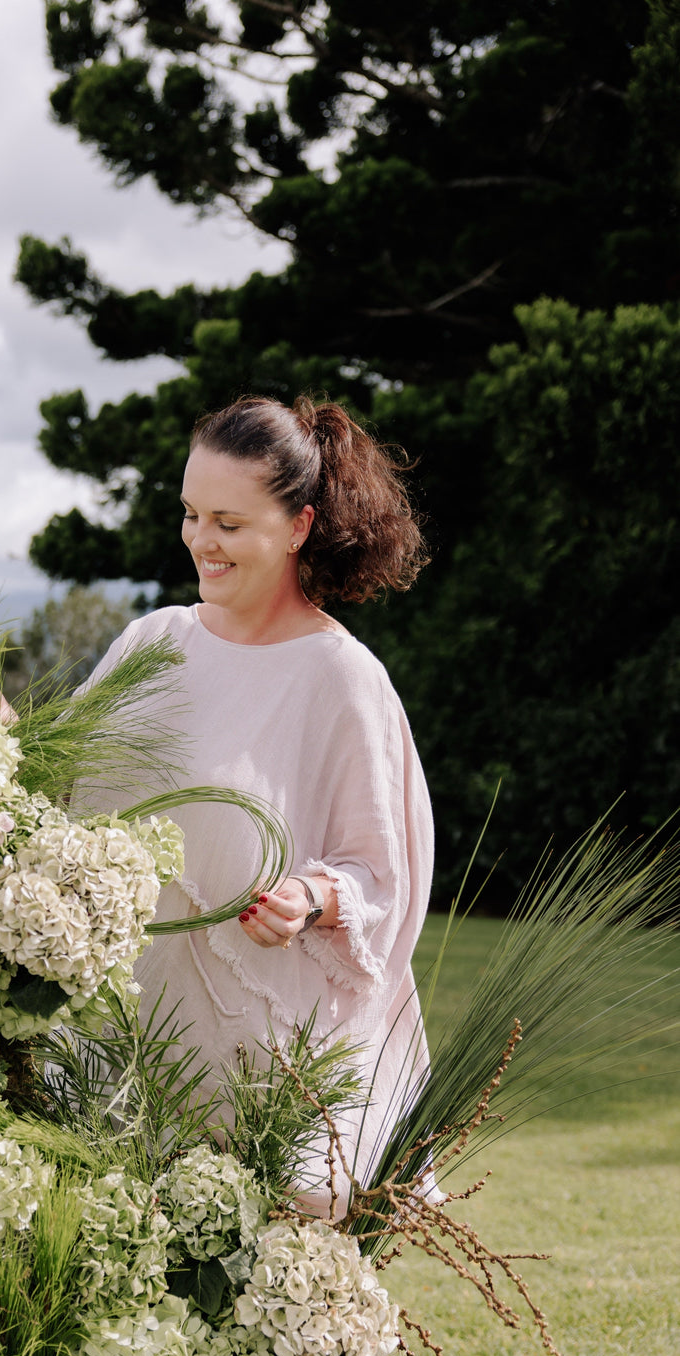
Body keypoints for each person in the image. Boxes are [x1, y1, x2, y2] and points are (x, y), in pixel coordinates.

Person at [79, 395, 434, 1216]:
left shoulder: (341, 679)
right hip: (128, 1036)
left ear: (300, 526)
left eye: (230, 523)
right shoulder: (152, 643)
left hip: (265, 1070)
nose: (203, 540)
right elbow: (66, 791)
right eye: (192, 514)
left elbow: (381, 871)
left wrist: (310, 899)